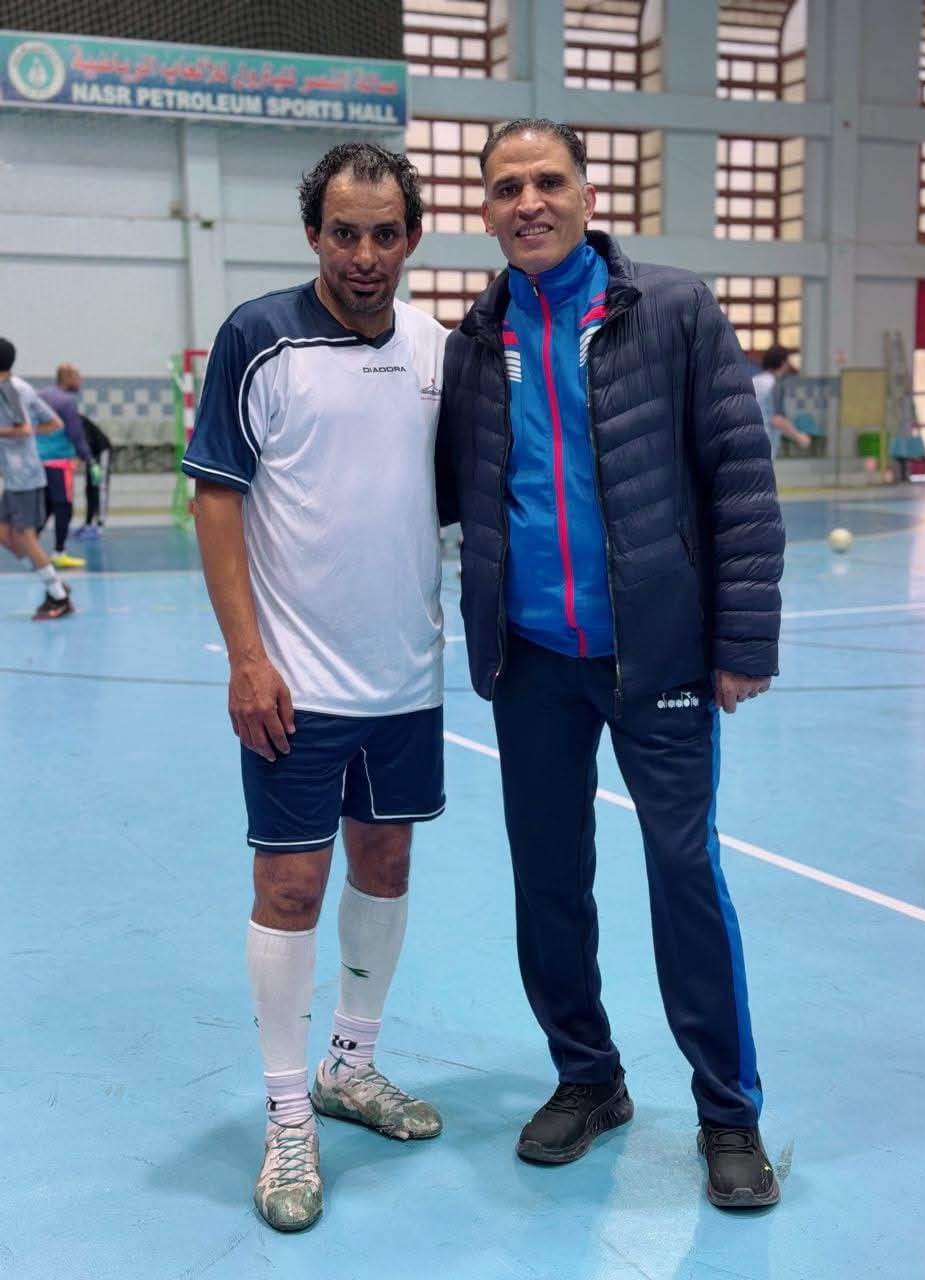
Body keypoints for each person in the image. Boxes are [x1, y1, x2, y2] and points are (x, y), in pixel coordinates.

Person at [438, 119, 785, 1209]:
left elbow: (739, 473)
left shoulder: (671, 308)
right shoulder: (473, 339)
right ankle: (588, 1076)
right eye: (506, 187)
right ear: (486, 211)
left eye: (548, 180)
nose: (528, 201)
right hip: (533, 660)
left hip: (660, 654)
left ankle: (728, 1111)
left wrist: (742, 640)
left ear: (589, 195)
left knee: (684, 875)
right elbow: (448, 490)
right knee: (547, 878)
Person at [183, 143, 448, 1233]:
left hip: (407, 682)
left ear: (411, 238)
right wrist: (246, 657)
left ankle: (351, 1064)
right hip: (295, 684)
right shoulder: (258, 337)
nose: (365, 255)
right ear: (313, 235)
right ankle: (289, 1112)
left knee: (385, 867)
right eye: (345, 232)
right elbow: (215, 499)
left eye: (385, 234)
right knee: (289, 890)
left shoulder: (436, 350)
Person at [0, 339, 73, 619]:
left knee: (25, 537)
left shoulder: (10, 391)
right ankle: (53, 581)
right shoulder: (17, 387)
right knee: (4, 533)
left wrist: (14, 438)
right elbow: (54, 423)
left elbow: (23, 429)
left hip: (24, 477)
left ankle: (59, 597)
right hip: (14, 476)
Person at [36, 363, 95, 569]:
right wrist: (88, 457)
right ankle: (59, 552)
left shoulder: (40, 395)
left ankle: (28, 546)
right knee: (63, 506)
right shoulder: (66, 401)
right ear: (68, 378)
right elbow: (75, 433)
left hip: (37, 460)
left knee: (45, 506)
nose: (80, 381)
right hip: (59, 461)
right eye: (77, 377)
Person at [752, 344, 811, 458]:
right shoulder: (774, 384)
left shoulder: (753, 381)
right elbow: (777, 419)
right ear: (783, 363)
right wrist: (799, 437)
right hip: (764, 445)